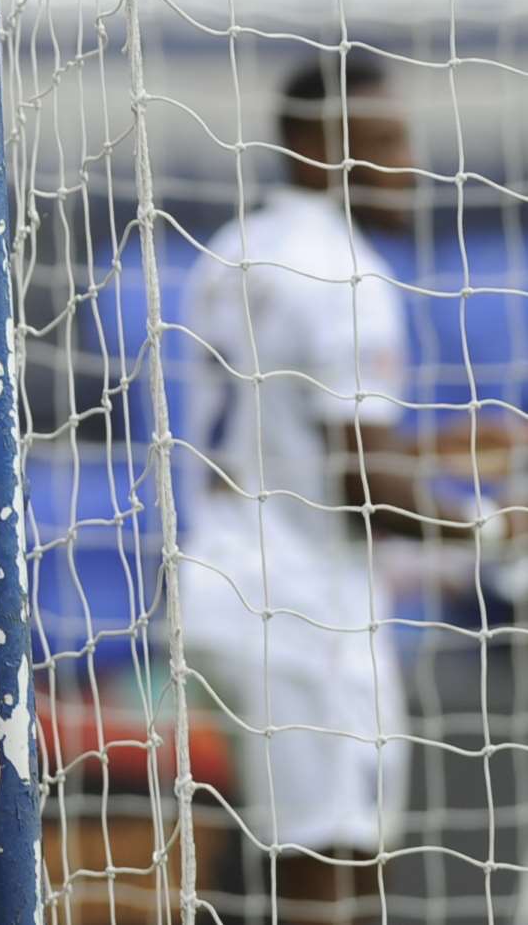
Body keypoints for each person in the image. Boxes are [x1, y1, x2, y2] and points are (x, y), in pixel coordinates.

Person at [176, 52, 527, 925]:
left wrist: (440, 444)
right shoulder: (347, 276)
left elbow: (293, 437)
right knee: (331, 857)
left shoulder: (235, 247)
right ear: (311, 148)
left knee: (321, 845)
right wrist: (494, 526)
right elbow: (359, 482)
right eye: (380, 144)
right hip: (303, 604)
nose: (406, 165)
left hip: (226, 569)